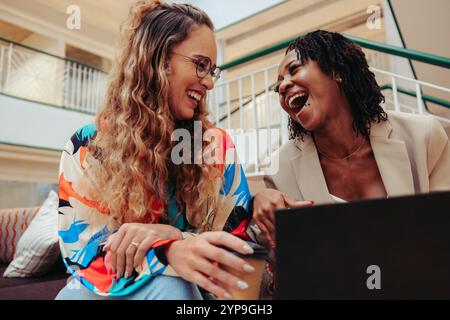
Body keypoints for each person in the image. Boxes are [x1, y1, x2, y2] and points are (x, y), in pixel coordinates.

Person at [56, 1, 260, 300]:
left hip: (189, 290)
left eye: (212, 70)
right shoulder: (88, 146)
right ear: (157, 60)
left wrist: (176, 240)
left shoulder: (215, 147)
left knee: (175, 287)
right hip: (108, 288)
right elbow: (81, 253)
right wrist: (164, 254)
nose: (208, 82)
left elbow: (238, 244)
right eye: (200, 64)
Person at [251, 30, 450, 297]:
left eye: (294, 69)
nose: (283, 86)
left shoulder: (423, 136)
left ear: (337, 71)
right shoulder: (282, 170)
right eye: (278, 85)